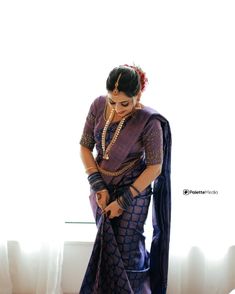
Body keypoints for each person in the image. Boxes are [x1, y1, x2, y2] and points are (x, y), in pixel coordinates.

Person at [79, 64, 172, 294]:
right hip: (101, 186)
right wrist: (98, 185)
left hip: (134, 191)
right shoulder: (98, 105)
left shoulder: (149, 122)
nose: (118, 108)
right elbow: (84, 147)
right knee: (109, 249)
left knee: (128, 251)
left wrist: (123, 202)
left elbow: (154, 168)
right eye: (113, 101)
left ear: (138, 95)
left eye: (125, 103)